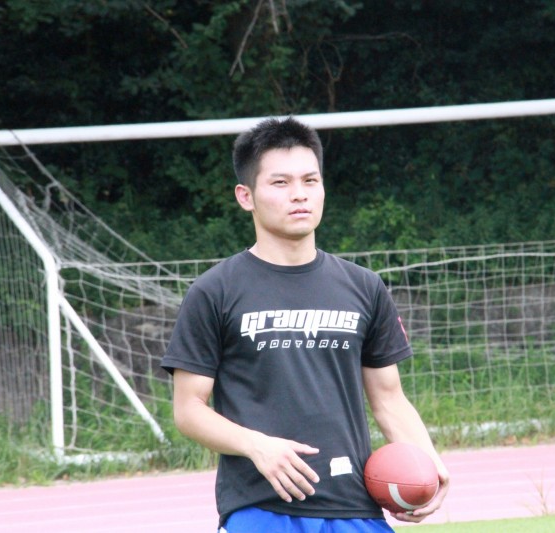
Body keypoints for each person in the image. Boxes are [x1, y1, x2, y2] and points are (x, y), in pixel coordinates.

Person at [161, 116, 450, 532]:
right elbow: (188, 409)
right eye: (280, 183)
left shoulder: (364, 287)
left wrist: (429, 462)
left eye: (310, 181)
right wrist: (257, 446)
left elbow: (389, 399)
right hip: (261, 507)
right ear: (246, 196)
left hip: (355, 506)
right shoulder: (215, 291)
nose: (299, 194)